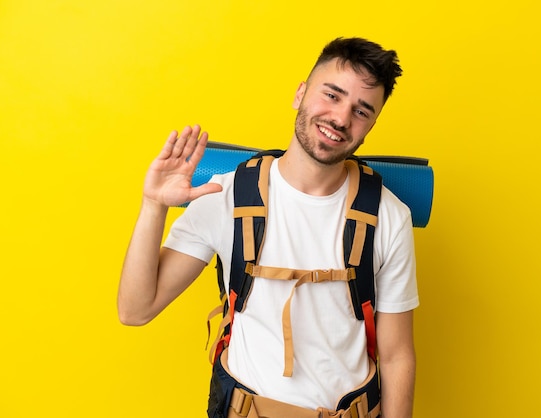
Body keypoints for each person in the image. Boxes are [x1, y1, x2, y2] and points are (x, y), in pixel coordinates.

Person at [118, 37, 419, 418]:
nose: (341, 118)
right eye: (331, 95)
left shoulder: (389, 215)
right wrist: (154, 206)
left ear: (372, 125)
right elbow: (136, 309)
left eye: (361, 111)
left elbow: (396, 357)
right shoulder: (224, 195)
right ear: (300, 93)